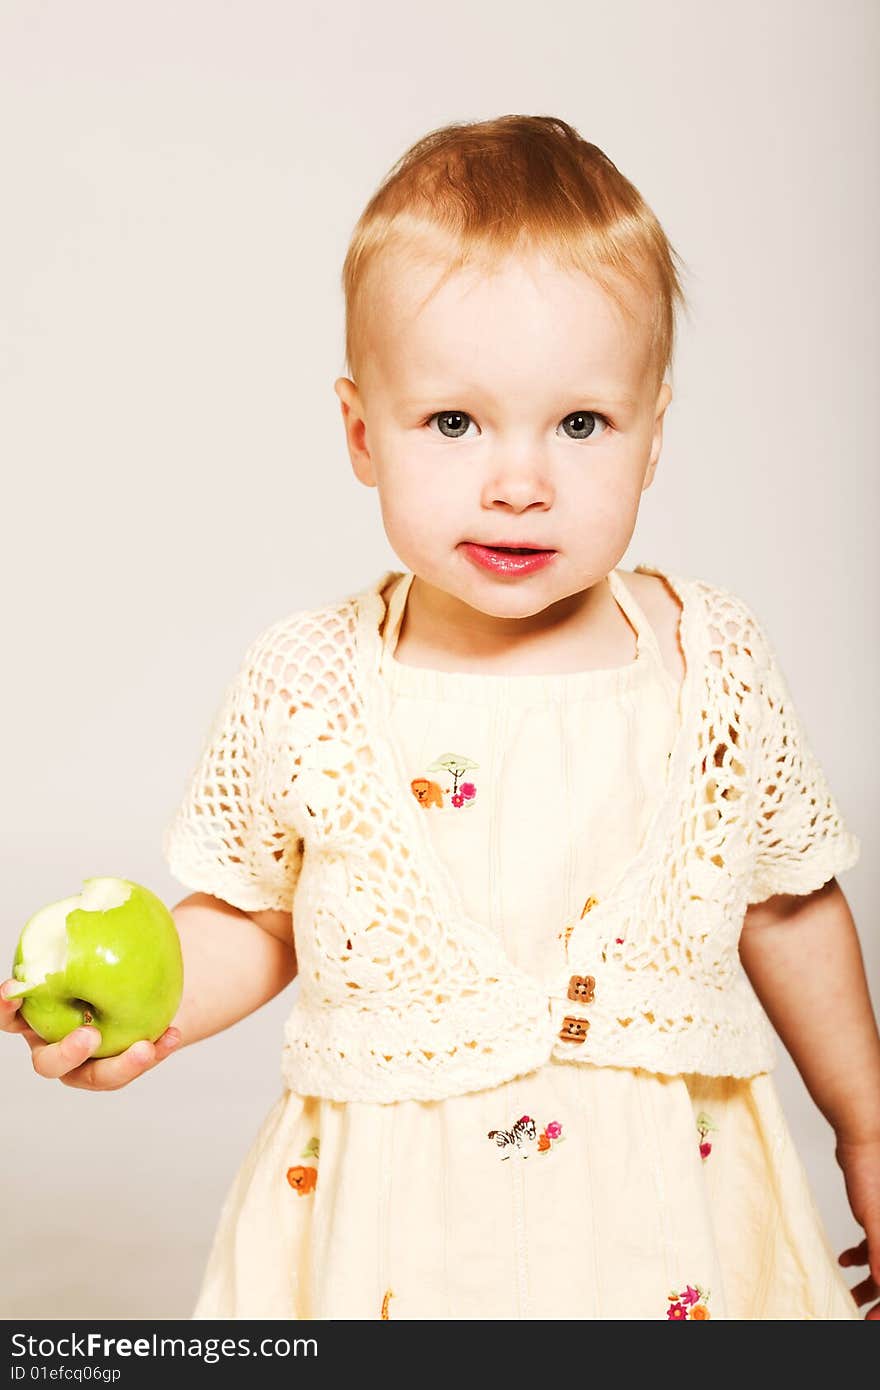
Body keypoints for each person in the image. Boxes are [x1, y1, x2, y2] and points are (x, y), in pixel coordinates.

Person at [4, 114, 878, 1321]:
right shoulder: (310, 685)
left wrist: (868, 1130)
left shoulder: (706, 664)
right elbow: (262, 917)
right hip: (396, 1237)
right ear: (363, 432)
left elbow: (785, 905)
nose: (518, 480)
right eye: (453, 423)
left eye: (581, 424)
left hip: (662, 1221)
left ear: (654, 433)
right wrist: (142, 1012)